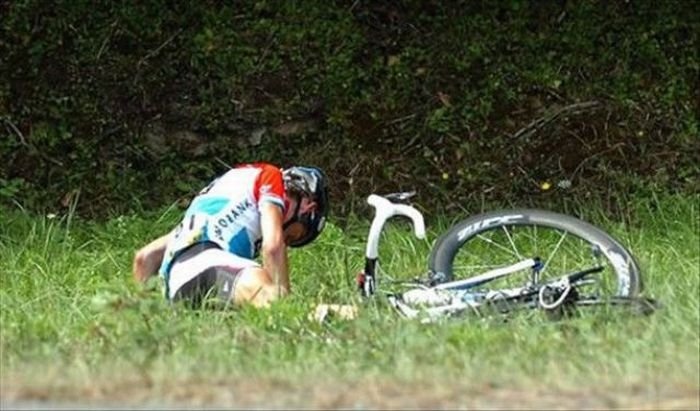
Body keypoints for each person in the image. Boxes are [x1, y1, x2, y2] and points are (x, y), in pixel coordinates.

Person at [132, 162, 329, 308]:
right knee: (273, 300)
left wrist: (146, 320)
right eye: (293, 237)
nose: (285, 238)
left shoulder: (224, 193)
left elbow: (144, 258)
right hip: (209, 265)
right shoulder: (270, 176)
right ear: (307, 208)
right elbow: (273, 247)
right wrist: (285, 306)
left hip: (178, 288)